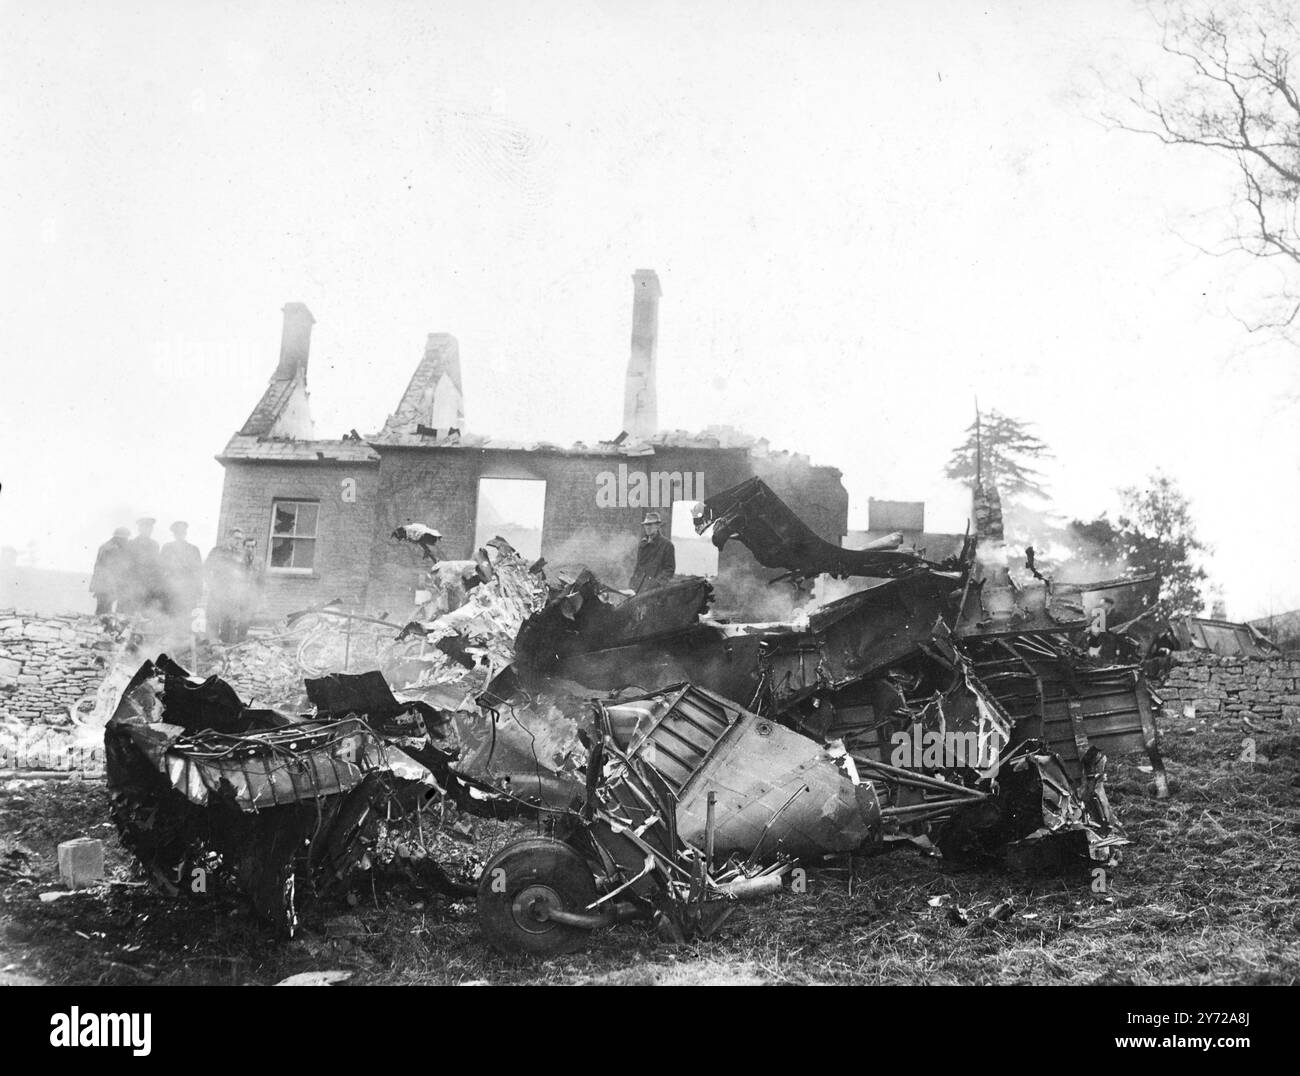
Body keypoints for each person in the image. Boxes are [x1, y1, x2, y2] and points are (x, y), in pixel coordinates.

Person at [205, 527, 246, 644]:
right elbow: (206, 569)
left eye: (241, 539)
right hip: (218, 592)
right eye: (236, 538)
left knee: (230, 623)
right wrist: (212, 585)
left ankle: (227, 648)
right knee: (213, 620)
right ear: (229, 538)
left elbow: (245, 574)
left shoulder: (241, 555)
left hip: (233, 594)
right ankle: (211, 647)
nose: (239, 541)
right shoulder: (217, 551)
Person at [160, 521, 203, 619]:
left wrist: (198, 591)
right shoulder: (167, 548)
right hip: (170, 591)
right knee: (169, 618)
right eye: (177, 533)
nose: (180, 535)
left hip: (188, 592)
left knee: (185, 620)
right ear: (174, 534)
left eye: (182, 532)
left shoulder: (193, 549)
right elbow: (161, 568)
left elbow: (199, 571)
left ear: (185, 533)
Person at [121, 517, 164, 615]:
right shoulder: (131, 544)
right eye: (145, 528)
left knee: (146, 615)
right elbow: (126, 565)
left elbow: (157, 565)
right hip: (134, 585)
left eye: (150, 528)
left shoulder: (155, 545)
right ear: (140, 529)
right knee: (129, 614)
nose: (148, 530)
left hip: (149, 586)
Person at [629, 511, 676, 593]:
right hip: (639, 588)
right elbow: (638, 567)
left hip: (655, 591)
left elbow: (669, 570)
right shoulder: (642, 545)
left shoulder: (667, 545)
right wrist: (632, 584)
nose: (648, 527)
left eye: (650, 524)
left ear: (657, 526)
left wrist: (656, 583)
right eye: (646, 525)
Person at [90, 527, 131, 615]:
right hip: (106, 586)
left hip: (102, 585)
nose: (126, 542)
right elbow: (111, 570)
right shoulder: (113, 549)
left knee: (102, 611)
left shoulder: (106, 546)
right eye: (125, 539)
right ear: (120, 538)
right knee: (104, 613)